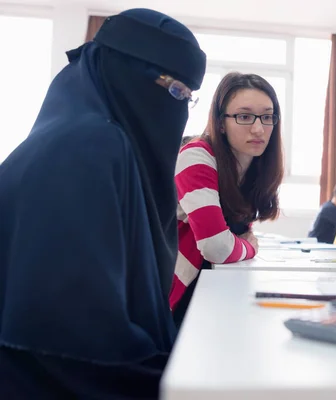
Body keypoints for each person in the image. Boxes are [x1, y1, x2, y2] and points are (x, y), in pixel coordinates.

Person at [0, 9, 206, 399]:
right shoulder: (87, 150)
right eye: (175, 91)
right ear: (126, 75)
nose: (179, 108)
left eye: (187, 97)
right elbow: (79, 346)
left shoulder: (77, 139)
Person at [170, 72, 284, 324]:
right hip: (174, 294)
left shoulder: (250, 167)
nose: (258, 128)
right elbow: (216, 246)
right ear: (221, 122)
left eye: (267, 117)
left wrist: (241, 243)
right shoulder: (196, 157)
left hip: (209, 284)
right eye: (244, 116)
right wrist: (251, 247)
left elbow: (234, 235)